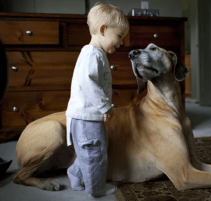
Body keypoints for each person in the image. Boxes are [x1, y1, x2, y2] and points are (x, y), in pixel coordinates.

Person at [65, 2, 129, 198]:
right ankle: (95, 190)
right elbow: (88, 81)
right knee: (95, 154)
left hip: (85, 117)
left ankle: (74, 173)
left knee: (92, 151)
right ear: (103, 29)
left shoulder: (95, 53)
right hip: (86, 118)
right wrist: (104, 106)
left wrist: (110, 93)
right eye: (119, 36)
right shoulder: (92, 53)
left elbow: (95, 82)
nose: (121, 43)